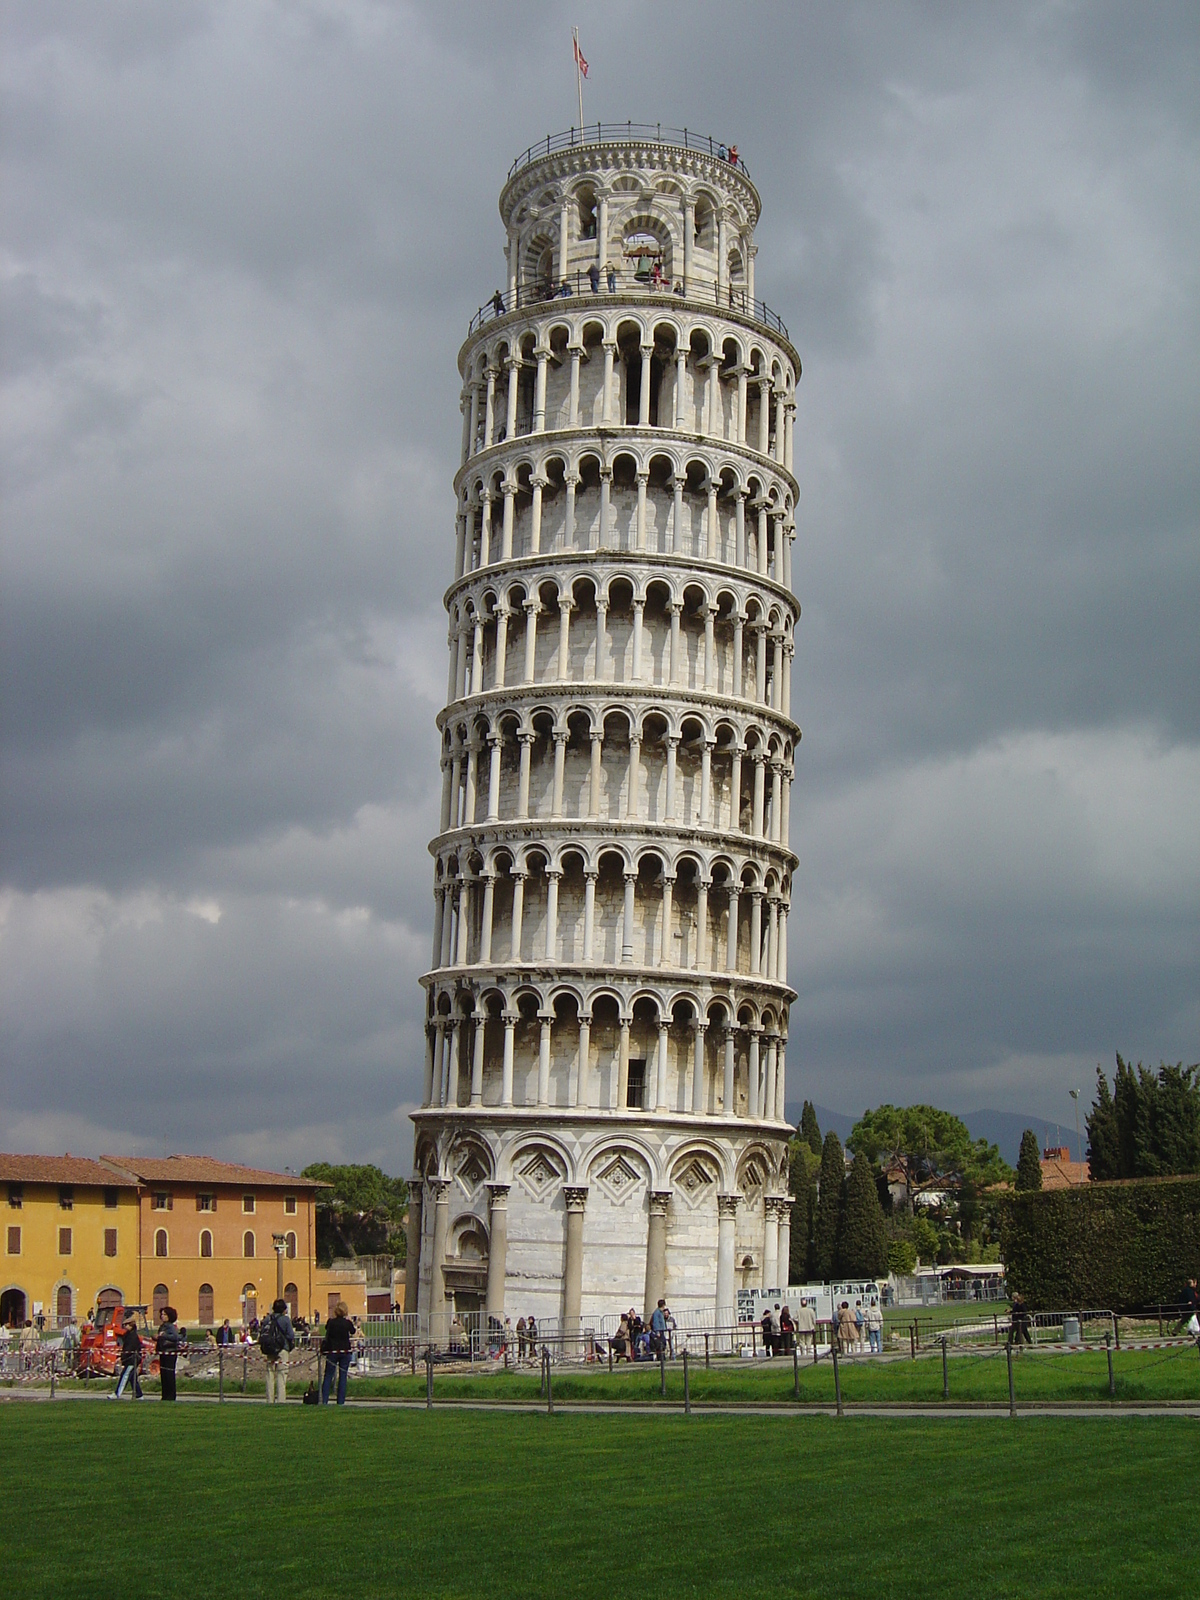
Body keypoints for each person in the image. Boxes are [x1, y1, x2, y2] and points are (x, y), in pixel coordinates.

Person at [260, 1296, 296, 1404]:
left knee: (269, 1374)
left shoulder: (267, 1319)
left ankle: (269, 1400)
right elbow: (290, 1335)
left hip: (270, 1349)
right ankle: (281, 1400)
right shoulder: (285, 1319)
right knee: (282, 1375)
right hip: (282, 1349)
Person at [320, 1300, 355, 1405]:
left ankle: (324, 1400)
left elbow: (327, 1329)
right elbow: (353, 1331)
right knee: (343, 1376)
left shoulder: (331, 1322)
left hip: (332, 1351)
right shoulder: (347, 1323)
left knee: (328, 1376)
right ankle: (340, 1402)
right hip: (345, 1351)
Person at [155, 1307, 184, 1402]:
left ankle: (171, 1396)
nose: (162, 1316)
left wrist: (163, 1335)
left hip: (170, 1352)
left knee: (169, 1374)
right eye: (162, 1314)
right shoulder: (163, 1326)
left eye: (165, 1314)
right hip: (163, 1351)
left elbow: (175, 1337)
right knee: (163, 1374)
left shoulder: (170, 1326)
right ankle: (164, 1395)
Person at [113, 1312, 144, 1399]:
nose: (124, 1326)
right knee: (132, 1378)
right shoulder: (128, 1335)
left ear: (131, 1325)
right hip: (130, 1359)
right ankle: (139, 1395)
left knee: (125, 1376)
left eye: (126, 1325)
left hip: (132, 1359)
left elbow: (128, 1349)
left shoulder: (132, 1337)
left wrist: (121, 1358)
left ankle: (117, 1394)